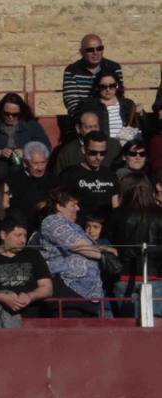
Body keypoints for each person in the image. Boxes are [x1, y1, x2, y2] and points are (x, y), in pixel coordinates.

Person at [39, 188, 114, 317]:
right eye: (73, 205)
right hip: (68, 287)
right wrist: (104, 255)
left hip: (89, 293)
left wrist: (105, 250)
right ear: (59, 206)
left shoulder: (75, 226)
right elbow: (76, 245)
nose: (78, 208)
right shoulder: (52, 221)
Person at [0, 215, 52, 328]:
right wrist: (1, 297)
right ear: (3, 235)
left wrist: (30, 296)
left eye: (25, 235)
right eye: (18, 235)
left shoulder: (33, 255)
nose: (23, 240)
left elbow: (47, 287)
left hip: (33, 319)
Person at [106, 172, 162, 317]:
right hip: (157, 277)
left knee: (128, 328)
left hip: (125, 276)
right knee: (156, 330)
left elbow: (109, 240)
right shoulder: (160, 214)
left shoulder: (117, 214)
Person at [58, 131, 120, 220]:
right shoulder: (69, 175)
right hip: (80, 228)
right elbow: (62, 205)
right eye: (93, 153)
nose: (98, 157)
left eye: (102, 153)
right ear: (84, 150)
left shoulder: (110, 174)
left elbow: (116, 206)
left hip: (107, 228)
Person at [62, 34, 124, 118]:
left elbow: (119, 96)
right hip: (82, 119)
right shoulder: (72, 71)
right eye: (90, 50)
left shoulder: (114, 68)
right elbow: (72, 103)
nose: (95, 53)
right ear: (81, 52)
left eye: (99, 49)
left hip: (111, 116)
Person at [0, 93, 49, 164]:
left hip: (25, 168)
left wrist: (25, 152)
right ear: (1, 111)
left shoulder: (31, 125)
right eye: (6, 114)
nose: (10, 117)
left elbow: (46, 147)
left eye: (15, 114)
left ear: (21, 112)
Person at [51, 109, 121, 175]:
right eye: (89, 127)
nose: (93, 130)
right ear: (78, 128)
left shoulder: (114, 146)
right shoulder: (68, 152)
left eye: (95, 126)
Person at [81, 71, 139, 143]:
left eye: (112, 86)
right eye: (103, 86)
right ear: (97, 87)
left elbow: (142, 128)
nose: (108, 89)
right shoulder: (90, 106)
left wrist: (141, 114)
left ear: (117, 86)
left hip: (125, 148)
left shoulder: (128, 104)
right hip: (101, 149)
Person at [9, 141, 53, 217]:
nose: (40, 168)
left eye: (43, 162)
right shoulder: (14, 181)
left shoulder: (53, 180)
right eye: (35, 163)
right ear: (25, 163)